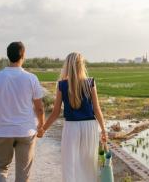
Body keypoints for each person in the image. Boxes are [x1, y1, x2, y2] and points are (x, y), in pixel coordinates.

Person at [38, 52, 107, 182]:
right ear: (82, 66)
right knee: (88, 165)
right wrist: (103, 130)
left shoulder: (62, 85)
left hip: (71, 128)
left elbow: (55, 112)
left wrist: (43, 129)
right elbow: (97, 110)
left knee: (70, 165)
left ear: (67, 66)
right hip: (90, 127)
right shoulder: (90, 82)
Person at [0, 41, 45, 182]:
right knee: (23, 174)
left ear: (8, 56)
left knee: (0, 169)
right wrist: (41, 126)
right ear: (23, 55)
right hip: (26, 131)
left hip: (3, 130)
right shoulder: (31, 78)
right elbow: (40, 108)